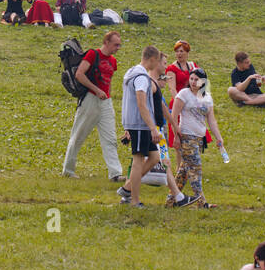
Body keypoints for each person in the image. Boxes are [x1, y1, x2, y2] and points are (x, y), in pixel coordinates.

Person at [120, 45, 193, 207]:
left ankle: (127, 189)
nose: (165, 66)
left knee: (154, 158)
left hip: (143, 125)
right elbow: (140, 103)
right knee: (138, 160)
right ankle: (134, 200)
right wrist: (152, 128)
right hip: (140, 124)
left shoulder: (136, 73)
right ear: (153, 60)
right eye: (163, 62)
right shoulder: (141, 77)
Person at [61, 30, 124, 181]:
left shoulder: (113, 61)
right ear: (106, 42)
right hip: (90, 99)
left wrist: (106, 94)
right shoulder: (92, 55)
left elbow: (108, 79)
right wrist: (96, 90)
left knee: (110, 138)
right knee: (78, 135)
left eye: (119, 45)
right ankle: (68, 170)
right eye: (116, 45)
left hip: (105, 102)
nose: (118, 48)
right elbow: (79, 74)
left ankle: (115, 173)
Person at [171, 69, 226, 206]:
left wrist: (219, 137)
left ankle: (171, 201)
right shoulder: (183, 94)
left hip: (199, 137)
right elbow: (174, 116)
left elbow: (211, 120)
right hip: (186, 135)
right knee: (196, 169)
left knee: (183, 172)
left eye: (197, 80)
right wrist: (176, 136)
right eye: (191, 79)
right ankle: (202, 202)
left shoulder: (207, 97)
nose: (193, 82)